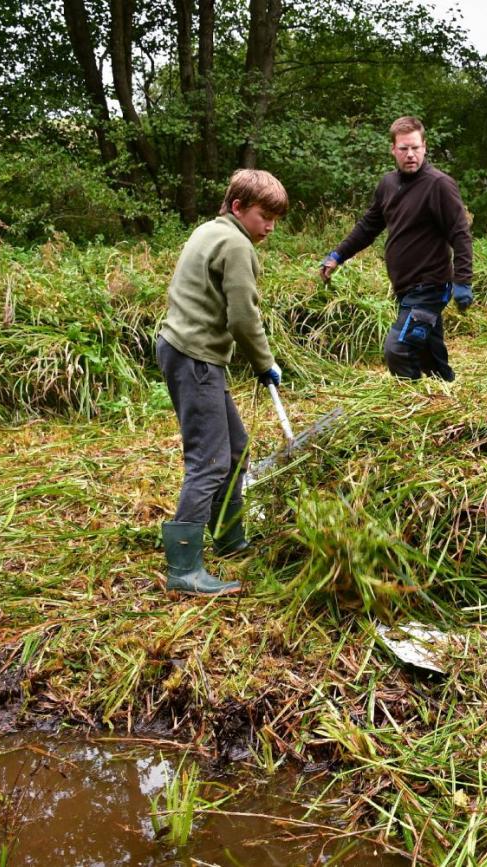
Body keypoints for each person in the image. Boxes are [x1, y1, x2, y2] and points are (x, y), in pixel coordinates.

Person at [155, 169, 287, 596]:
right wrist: (264, 363)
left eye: (275, 219)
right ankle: (185, 570)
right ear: (238, 207)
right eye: (265, 216)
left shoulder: (209, 231)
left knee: (235, 449)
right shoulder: (236, 244)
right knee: (209, 461)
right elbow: (243, 318)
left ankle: (229, 537)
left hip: (183, 350)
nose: (270, 227)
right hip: (195, 357)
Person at [320, 116, 473, 381]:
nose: (410, 154)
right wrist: (338, 255)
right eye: (404, 148)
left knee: (399, 349)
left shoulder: (439, 185)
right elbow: (368, 227)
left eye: (415, 147)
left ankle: (412, 398)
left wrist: (463, 281)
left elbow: (460, 235)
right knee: (429, 356)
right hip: (405, 287)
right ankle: (448, 393)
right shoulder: (388, 184)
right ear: (393, 149)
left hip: (430, 286)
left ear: (424, 147)